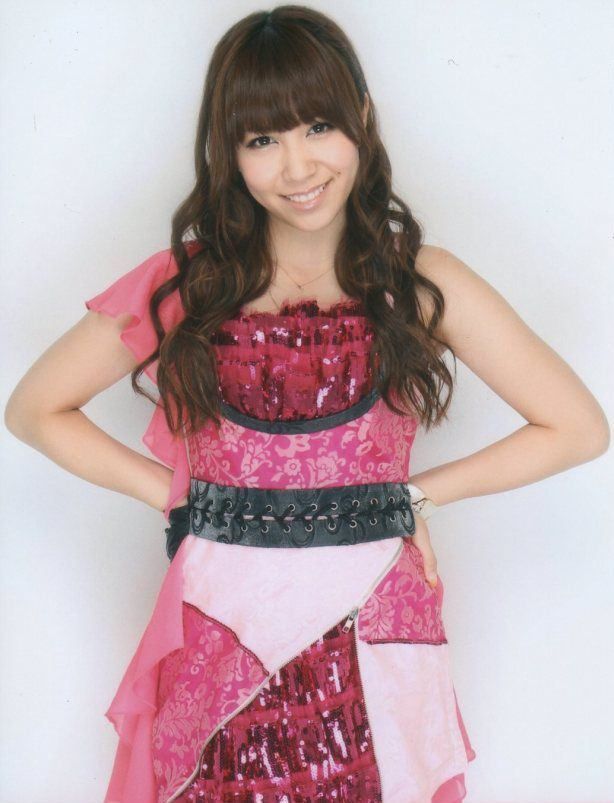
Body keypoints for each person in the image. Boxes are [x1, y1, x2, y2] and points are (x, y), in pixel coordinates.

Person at [4, 5, 609, 803]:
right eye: (262, 140)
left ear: (362, 118)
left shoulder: (419, 282)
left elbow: (578, 426)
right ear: (230, 153)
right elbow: (35, 407)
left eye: (318, 126)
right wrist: (177, 495)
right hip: (222, 627)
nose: (297, 167)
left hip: (373, 631)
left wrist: (413, 496)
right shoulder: (190, 286)